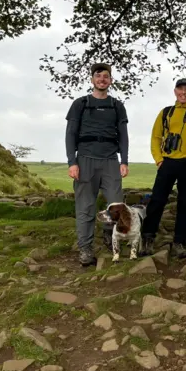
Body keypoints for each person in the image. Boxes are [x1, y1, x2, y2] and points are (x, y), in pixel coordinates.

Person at [65, 63, 130, 267]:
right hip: (85, 160)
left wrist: (124, 160)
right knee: (85, 207)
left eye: (106, 76)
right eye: (98, 76)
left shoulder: (117, 106)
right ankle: (85, 249)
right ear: (92, 80)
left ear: (111, 81)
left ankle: (111, 238)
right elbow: (70, 134)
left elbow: (124, 136)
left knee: (116, 205)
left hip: (111, 160)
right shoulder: (80, 104)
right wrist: (72, 162)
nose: (102, 79)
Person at [140, 78, 186, 259]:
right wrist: (159, 160)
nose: (183, 92)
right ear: (175, 91)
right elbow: (155, 137)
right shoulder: (166, 113)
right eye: (180, 89)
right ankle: (147, 238)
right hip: (167, 162)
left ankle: (179, 241)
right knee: (157, 201)